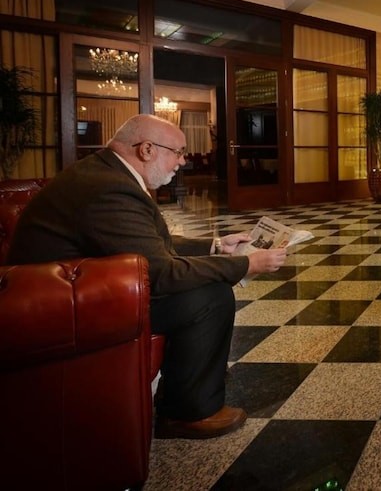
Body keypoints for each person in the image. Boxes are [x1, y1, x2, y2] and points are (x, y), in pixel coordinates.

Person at [7, 114, 287, 439]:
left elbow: (145, 244)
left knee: (203, 289)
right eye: (178, 152)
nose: (183, 161)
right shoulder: (110, 188)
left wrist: (216, 245)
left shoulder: (105, 173)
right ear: (147, 149)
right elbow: (159, 273)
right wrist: (246, 265)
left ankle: (189, 386)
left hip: (67, 290)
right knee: (209, 297)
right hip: (55, 307)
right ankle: (188, 412)